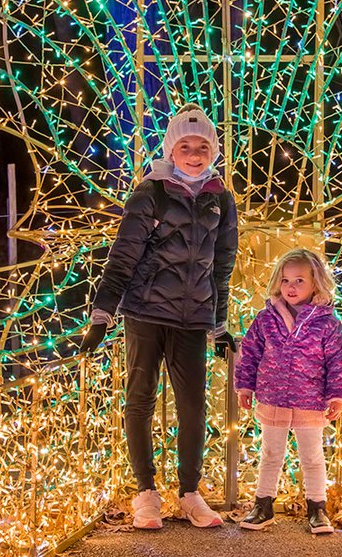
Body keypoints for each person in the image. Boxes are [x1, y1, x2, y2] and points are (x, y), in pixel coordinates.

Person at [81, 103, 238, 530]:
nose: (193, 153)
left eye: (202, 146)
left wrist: (220, 324)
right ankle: (146, 492)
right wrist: (102, 314)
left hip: (194, 317)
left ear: (213, 151)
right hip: (146, 311)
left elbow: (222, 265)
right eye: (184, 146)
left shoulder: (220, 198)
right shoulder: (150, 193)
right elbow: (123, 257)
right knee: (141, 399)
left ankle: (189, 493)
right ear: (171, 150)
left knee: (193, 407)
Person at [235, 248, 342, 533]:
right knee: (270, 454)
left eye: (299, 280)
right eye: (286, 280)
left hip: (310, 401)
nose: (291, 286)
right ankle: (262, 506)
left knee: (312, 457)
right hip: (273, 397)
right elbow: (250, 353)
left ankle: (317, 508)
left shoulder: (327, 323)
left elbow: (338, 362)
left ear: (315, 284)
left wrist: (337, 396)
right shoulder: (266, 319)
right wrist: (245, 386)